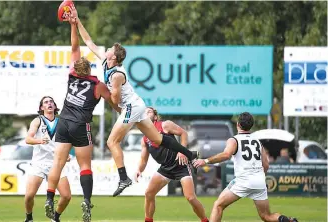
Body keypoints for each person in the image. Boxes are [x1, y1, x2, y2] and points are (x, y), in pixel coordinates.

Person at [71, 6, 196, 197]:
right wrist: (77, 20)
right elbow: (88, 41)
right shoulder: (106, 62)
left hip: (132, 107)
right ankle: (190, 154)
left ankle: (123, 178)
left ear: (113, 56)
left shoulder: (117, 75)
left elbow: (114, 99)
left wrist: (112, 102)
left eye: (110, 49)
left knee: (112, 142)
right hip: (137, 105)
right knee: (157, 139)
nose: (107, 50)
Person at [45, 8, 120, 222]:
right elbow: (115, 104)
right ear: (90, 69)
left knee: (57, 164)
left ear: (77, 68)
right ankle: (87, 201)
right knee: (85, 166)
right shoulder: (98, 85)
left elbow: (75, 46)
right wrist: (122, 107)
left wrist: (72, 25)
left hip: (63, 123)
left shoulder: (72, 75)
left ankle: (50, 199)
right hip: (80, 126)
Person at [193, 112, 298, 222]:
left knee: (218, 205)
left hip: (244, 181)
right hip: (259, 181)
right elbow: (266, 164)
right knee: (266, 216)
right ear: (251, 125)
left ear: (238, 124)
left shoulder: (234, 140)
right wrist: (261, 178)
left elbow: (226, 155)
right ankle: (288, 221)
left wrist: (205, 161)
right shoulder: (258, 142)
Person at [135, 107, 209, 222]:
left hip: (181, 165)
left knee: (190, 197)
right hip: (165, 169)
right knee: (149, 193)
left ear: (155, 117)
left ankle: (205, 220)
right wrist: (139, 170)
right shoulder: (145, 138)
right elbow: (143, 160)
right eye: (143, 112)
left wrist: (182, 151)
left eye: (148, 111)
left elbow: (183, 133)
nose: (145, 113)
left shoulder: (165, 125)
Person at [24, 96, 71, 222]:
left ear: (55, 106)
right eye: (46, 102)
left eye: (51, 102)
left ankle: (55, 218)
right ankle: (29, 217)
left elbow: (66, 142)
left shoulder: (62, 122)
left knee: (66, 196)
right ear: (41, 107)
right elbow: (28, 139)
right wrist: (40, 140)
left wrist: (67, 154)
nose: (49, 104)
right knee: (29, 196)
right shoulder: (37, 120)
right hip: (39, 163)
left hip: (57, 163)